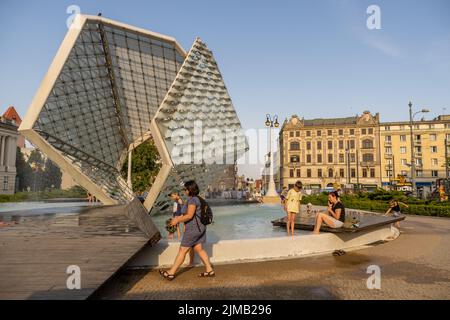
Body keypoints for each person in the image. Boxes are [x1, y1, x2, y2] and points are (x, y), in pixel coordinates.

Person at [159, 180, 214, 281]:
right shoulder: (198, 199)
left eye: (185, 189)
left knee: (182, 250)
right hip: (200, 228)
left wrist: (177, 220)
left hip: (193, 229)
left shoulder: (193, 200)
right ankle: (209, 270)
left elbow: (189, 215)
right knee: (199, 249)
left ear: (190, 189)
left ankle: (171, 273)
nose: (184, 191)